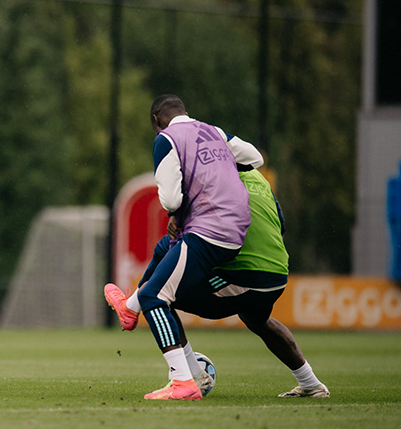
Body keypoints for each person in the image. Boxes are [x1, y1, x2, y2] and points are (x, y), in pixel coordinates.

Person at [112, 167, 329, 398]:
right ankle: (310, 383)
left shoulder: (214, 178)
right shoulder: (259, 178)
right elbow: (280, 224)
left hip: (241, 275)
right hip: (276, 274)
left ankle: (189, 374)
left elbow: (185, 232)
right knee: (257, 319)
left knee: (159, 293)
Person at [104, 94, 264, 400]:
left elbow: (171, 200)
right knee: (166, 247)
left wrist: (180, 209)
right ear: (186, 112)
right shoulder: (214, 132)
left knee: (155, 297)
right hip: (235, 230)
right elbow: (255, 158)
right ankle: (129, 307)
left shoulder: (166, 139)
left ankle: (183, 382)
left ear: (156, 120)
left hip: (209, 232)